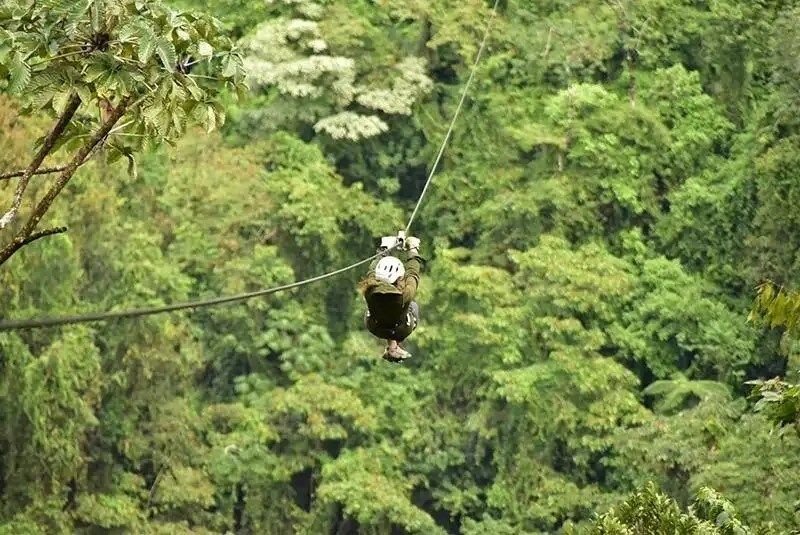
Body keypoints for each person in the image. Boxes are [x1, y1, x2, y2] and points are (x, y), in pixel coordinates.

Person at [360, 235, 423, 362]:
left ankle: (392, 346)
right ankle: (393, 346)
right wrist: (413, 250)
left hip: (375, 326)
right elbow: (412, 273)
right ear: (399, 279)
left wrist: (384, 250)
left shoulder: (369, 289)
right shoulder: (405, 294)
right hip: (399, 329)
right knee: (413, 306)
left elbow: (372, 269)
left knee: (384, 312)